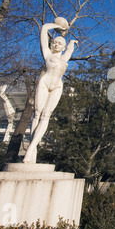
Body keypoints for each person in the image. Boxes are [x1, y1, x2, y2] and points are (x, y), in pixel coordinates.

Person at [23, 18, 76, 164]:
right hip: (45, 82)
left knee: (46, 116)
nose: (57, 44)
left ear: (63, 47)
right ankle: (31, 152)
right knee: (37, 114)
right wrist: (57, 26)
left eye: (60, 43)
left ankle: (32, 148)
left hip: (57, 86)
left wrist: (71, 43)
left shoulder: (64, 59)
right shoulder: (48, 55)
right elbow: (44, 30)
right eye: (55, 42)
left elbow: (70, 51)